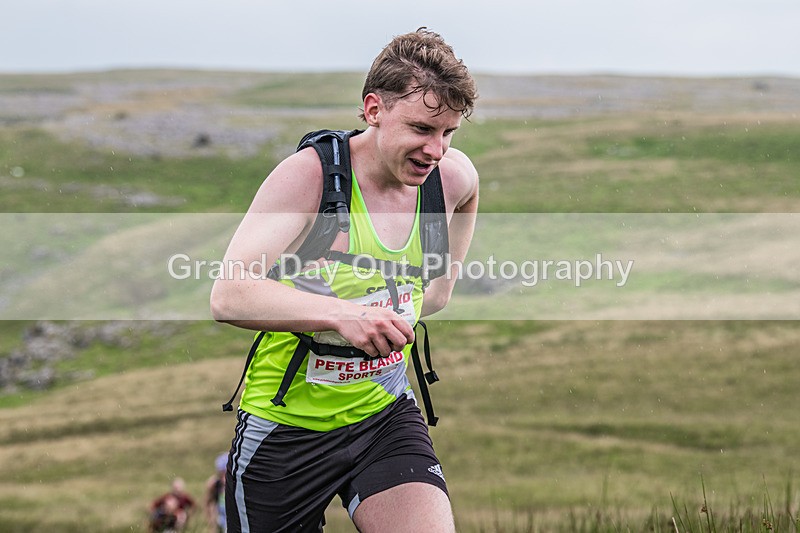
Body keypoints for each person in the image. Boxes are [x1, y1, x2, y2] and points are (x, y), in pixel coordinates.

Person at [210, 27, 479, 532]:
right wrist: (344, 314)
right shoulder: (308, 177)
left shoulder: (453, 180)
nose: (436, 150)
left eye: (448, 133)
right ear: (373, 109)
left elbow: (436, 294)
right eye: (422, 129)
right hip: (284, 429)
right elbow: (229, 293)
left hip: (384, 417)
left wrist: (412, 299)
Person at [204, 453, 228, 532]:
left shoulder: (235, 483)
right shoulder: (214, 483)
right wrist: (211, 520)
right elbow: (207, 502)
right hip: (220, 516)